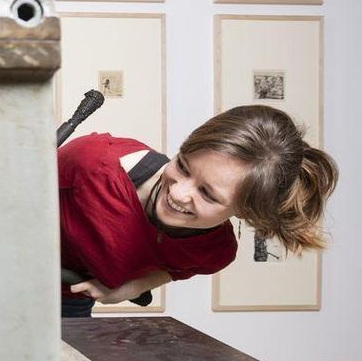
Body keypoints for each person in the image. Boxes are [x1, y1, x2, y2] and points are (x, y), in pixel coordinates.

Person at [59, 104, 338, 318]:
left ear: (244, 212)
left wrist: (132, 287)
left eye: (207, 194)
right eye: (182, 166)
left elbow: (176, 269)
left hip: (67, 303)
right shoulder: (91, 163)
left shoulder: (214, 251)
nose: (178, 193)